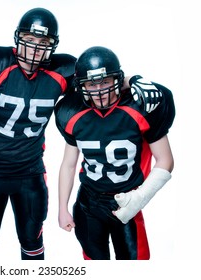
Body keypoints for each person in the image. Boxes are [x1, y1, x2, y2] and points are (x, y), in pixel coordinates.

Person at [0, 7, 163, 260]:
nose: (35, 49)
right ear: (18, 38)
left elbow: (97, 79)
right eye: (30, 40)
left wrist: (133, 79)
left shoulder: (63, 69)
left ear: (53, 46)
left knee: (32, 243)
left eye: (43, 43)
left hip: (30, 173)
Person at [54, 46, 175, 260]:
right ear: (81, 87)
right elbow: (69, 164)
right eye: (92, 84)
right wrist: (62, 207)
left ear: (118, 80)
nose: (99, 90)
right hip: (88, 203)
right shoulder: (71, 112)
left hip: (126, 201)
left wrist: (138, 198)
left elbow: (165, 160)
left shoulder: (140, 106)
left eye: (105, 82)